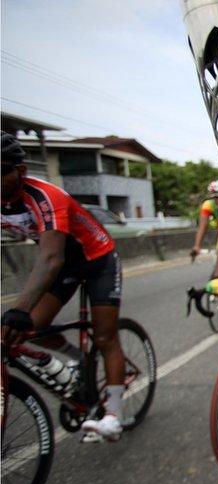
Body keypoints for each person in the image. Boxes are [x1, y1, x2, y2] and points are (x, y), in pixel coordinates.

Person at [0, 131, 125, 441]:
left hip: (97, 260)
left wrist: (18, 308)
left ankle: (114, 416)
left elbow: (51, 258)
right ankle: (77, 359)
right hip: (65, 264)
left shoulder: (45, 196)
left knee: (105, 335)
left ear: (21, 171)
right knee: (31, 328)